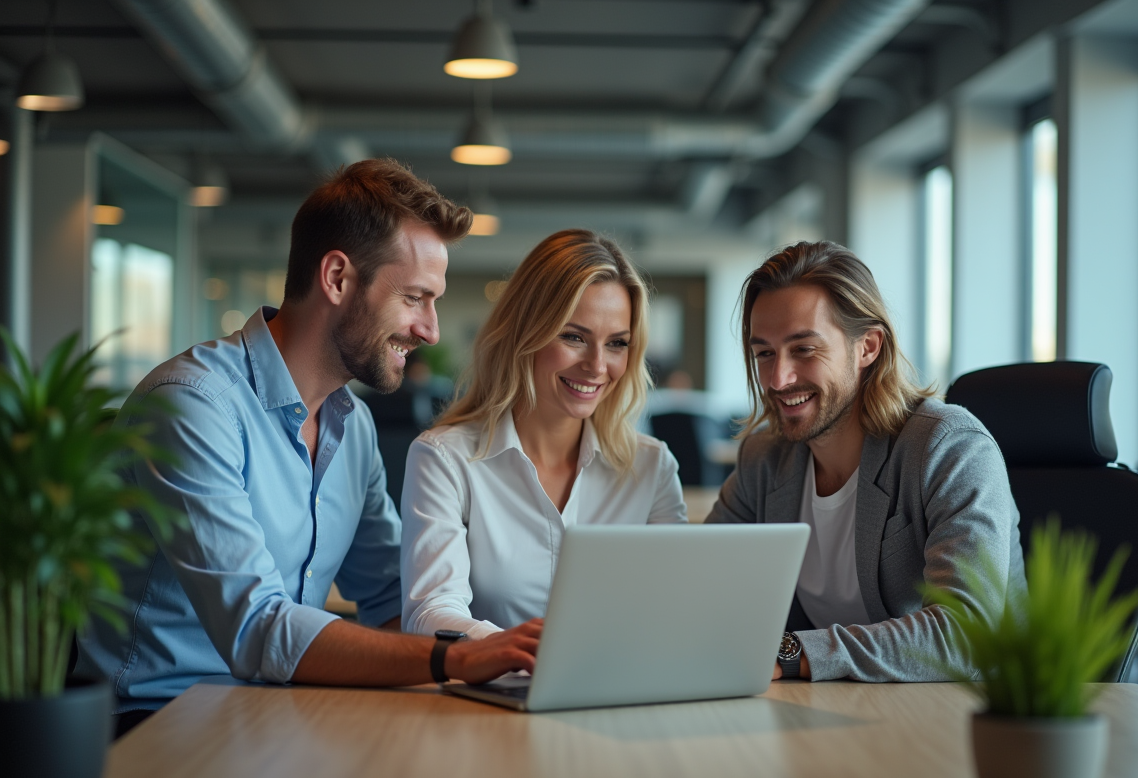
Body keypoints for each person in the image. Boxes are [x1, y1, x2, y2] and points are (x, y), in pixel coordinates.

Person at [77, 159, 542, 736]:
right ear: (338, 278)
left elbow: (394, 599)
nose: (431, 331)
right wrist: (453, 658)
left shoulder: (355, 427)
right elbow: (255, 627)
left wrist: (507, 651)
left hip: (276, 713)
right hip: (155, 724)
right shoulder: (193, 404)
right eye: (415, 298)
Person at [706, 241, 1026, 682]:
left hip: (967, 718)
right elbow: (703, 590)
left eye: (804, 349)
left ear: (868, 347)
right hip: (831, 711)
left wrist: (792, 653)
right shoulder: (765, 459)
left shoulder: (948, 447)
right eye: (764, 353)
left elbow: (967, 633)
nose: (778, 378)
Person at [401, 229, 689, 639]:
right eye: (574, 337)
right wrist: (524, 653)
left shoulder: (652, 466)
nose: (596, 365)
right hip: (491, 695)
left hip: (619, 695)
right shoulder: (445, 459)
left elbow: (674, 606)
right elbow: (429, 613)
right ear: (526, 333)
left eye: (617, 343)